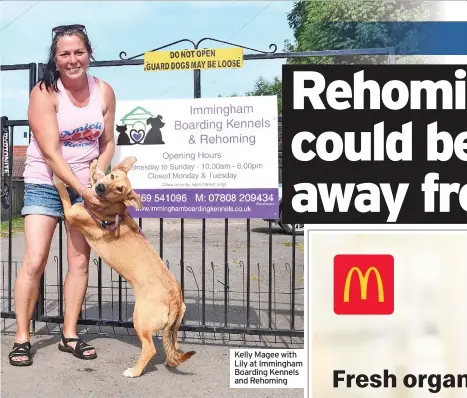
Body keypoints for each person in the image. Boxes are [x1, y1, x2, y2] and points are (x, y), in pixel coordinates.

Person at [8, 24, 116, 366]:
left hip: (86, 185)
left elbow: (108, 141)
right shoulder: (45, 93)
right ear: (55, 59)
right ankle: (22, 337)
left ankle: (69, 335)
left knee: (79, 261)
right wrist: (84, 188)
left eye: (79, 52)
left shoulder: (104, 92)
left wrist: (98, 175)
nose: (73, 60)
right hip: (45, 182)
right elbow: (52, 153)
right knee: (35, 260)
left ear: (89, 53)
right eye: (64, 54)